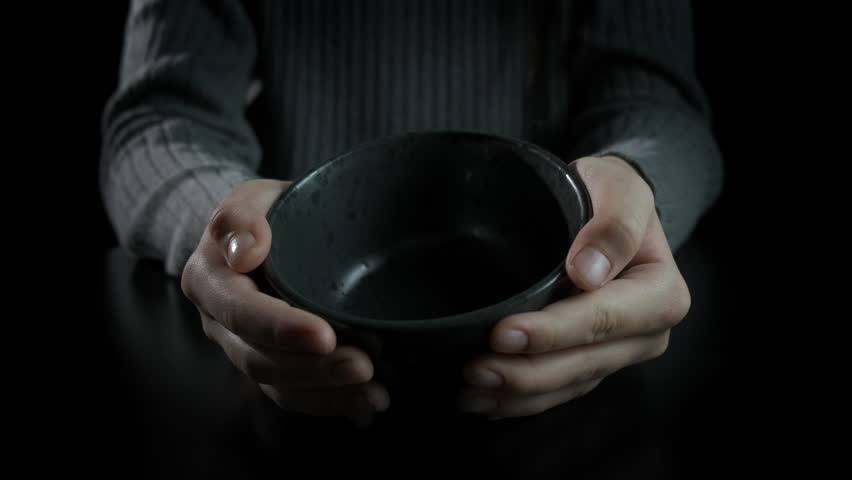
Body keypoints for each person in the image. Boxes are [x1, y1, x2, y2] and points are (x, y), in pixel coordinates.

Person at [101, 0, 722, 424]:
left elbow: (656, 103)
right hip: (298, 363)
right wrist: (228, 230)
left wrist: (635, 195)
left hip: (563, 356)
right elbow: (160, 119)